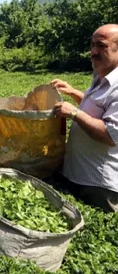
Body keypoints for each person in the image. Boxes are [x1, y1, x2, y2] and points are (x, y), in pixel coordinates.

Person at [51, 24, 118, 212]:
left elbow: (111, 136)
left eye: (101, 45)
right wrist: (73, 92)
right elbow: (97, 107)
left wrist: (74, 113)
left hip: (98, 185)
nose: (93, 52)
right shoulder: (100, 74)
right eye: (92, 45)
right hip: (76, 175)